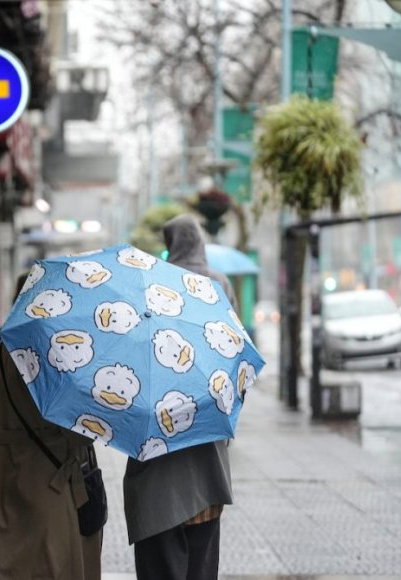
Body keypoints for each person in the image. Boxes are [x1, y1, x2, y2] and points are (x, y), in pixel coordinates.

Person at [123, 214, 238, 580]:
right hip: (208, 460)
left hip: (157, 458)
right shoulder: (219, 286)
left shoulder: (153, 285)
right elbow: (233, 360)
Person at [0, 275, 103, 580]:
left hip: (6, 482)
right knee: (53, 564)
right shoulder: (47, 351)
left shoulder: (1, 349)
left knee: (11, 563)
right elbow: (73, 427)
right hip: (49, 487)